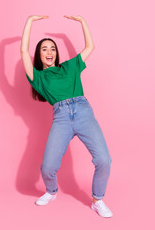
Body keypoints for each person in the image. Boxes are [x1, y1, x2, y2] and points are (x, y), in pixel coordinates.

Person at [20, 15, 113, 218]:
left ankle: (98, 200)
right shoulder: (38, 77)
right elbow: (23, 51)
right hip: (61, 117)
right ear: (39, 54)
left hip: (83, 112)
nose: (49, 52)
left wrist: (82, 22)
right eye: (44, 49)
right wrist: (30, 21)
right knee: (47, 167)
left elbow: (90, 47)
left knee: (104, 159)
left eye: (52, 48)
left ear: (56, 53)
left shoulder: (69, 67)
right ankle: (51, 191)